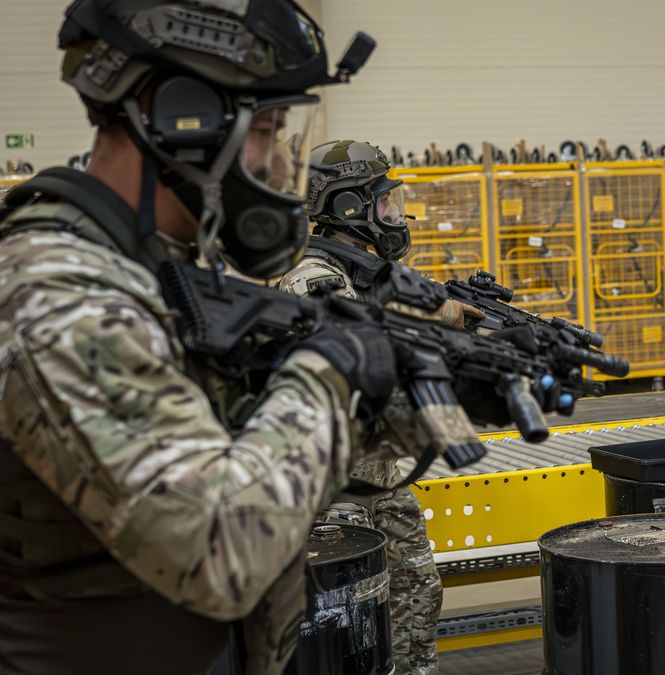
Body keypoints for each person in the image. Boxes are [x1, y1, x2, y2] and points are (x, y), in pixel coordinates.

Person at [0, 2, 390, 674]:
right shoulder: (58, 294)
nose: (278, 162)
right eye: (266, 129)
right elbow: (225, 550)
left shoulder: (150, 270)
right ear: (188, 121)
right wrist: (327, 371)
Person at [277, 139, 480, 674]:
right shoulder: (314, 280)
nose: (396, 214)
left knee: (415, 590)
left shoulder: (362, 276)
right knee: (345, 618)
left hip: (378, 478)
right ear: (349, 208)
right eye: (386, 202)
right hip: (331, 492)